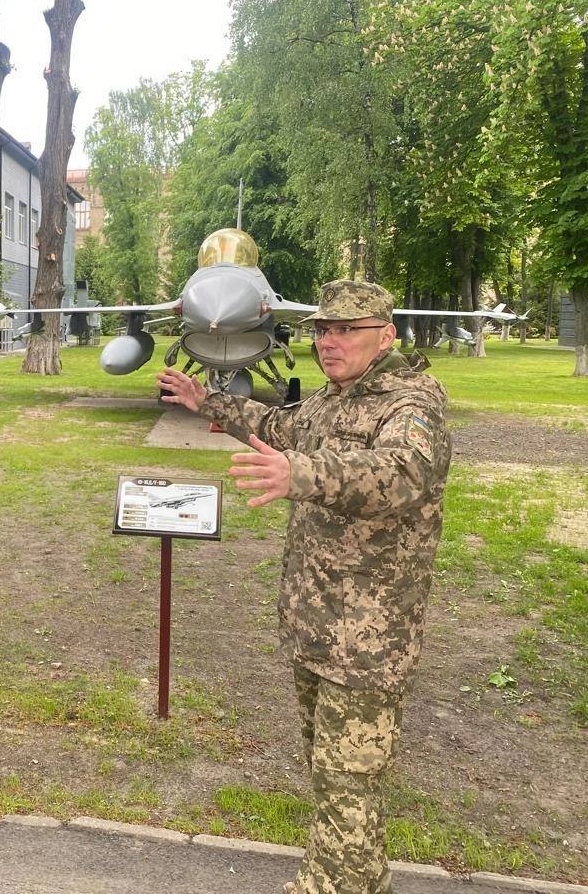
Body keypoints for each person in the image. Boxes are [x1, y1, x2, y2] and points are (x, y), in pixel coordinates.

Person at [158, 279, 452, 894]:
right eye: (323, 329)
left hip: (367, 641)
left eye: (348, 330)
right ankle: (352, 882)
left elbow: (403, 473)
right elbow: (278, 423)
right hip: (316, 628)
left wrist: (303, 473)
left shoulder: (411, 402)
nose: (329, 342)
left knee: (350, 785)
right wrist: (206, 399)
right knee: (334, 779)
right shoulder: (331, 401)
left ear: (386, 335)